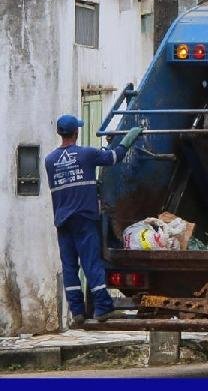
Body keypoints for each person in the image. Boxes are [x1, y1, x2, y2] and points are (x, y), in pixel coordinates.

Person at [45, 115, 143, 326]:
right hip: (84, 218)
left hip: (63, 221)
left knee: (70, 267)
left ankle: (77, 312)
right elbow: (114, 158)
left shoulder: (50, 161)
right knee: (91, 263)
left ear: (60, 133)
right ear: (76, 133)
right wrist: (128, 138)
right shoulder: (86, 154)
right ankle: (102, 307)